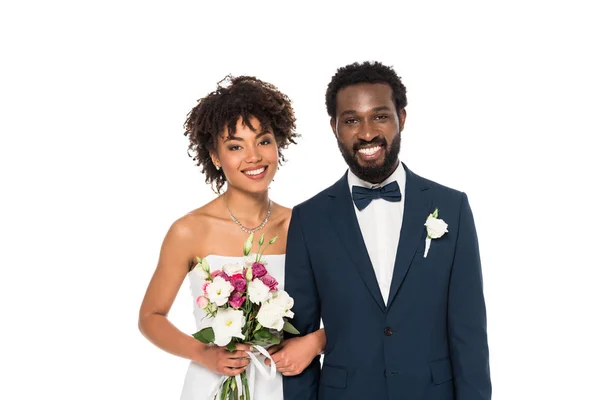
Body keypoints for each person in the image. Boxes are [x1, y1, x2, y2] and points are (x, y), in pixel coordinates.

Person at [283, 61, 491, 400]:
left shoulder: (452, 207)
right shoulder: (309, 219)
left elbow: (469, 334)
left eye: (379, 116)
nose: (366, 133)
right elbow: (297, 343)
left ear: (402, 118)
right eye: (351, 120)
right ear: (334, 127)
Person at [138, 75, 326, 400]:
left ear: (278, 144)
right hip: (212, 385)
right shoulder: (189, 230)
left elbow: (351, 310)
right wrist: (204, 354)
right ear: (214, 156)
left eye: (263, 140)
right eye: (235, 146)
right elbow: (150, 318)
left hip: (287, 385)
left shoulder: (303, 225)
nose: (253, 156)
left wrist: (315, 343)